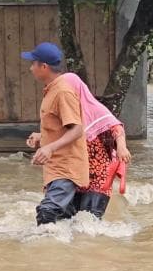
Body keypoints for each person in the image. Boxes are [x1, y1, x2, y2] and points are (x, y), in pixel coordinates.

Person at [30, 73, 132, 219]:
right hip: (74, 174)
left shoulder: (96, 110)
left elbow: (116, 128)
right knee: (65, 220)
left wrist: (121, 147)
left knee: (89, 222)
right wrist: (40, 138)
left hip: (98, 177)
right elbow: (62, 135)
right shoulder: (67, 111)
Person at [22, 42, 89, 225]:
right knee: (65, 220)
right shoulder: (52, 90)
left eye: (33, 63)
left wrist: (50, 147)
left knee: (47, 212)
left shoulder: (62, 92)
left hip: (66, 169)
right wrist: (42, 137)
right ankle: (67, 251)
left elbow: (77, 129)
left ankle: (44, 252)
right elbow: (61, 127)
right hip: (56, 168)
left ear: (43, 67)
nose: (30, 68)